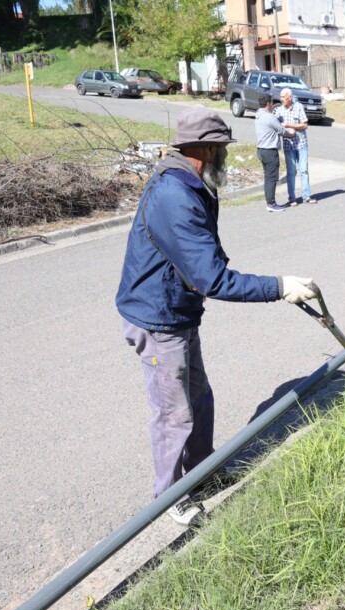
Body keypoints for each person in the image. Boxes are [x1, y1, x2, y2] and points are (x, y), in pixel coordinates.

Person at [116, 107, 317, 526]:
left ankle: (202, 473)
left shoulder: (188, 184)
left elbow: (201, 256)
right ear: (207, 149)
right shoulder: (175, 195)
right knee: (175, 414)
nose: (225, 157)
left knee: (199, 399)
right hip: (157, 320)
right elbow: (213, 278)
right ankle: (170, 497)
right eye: (223, 149)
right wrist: (279, 287)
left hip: (178, 310)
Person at [274, 88, 316, 206]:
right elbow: (275, 125)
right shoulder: (279, 111)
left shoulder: (299, 107)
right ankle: (292, 198)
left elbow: (305, 125)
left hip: (301, 144)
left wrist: (289, 125)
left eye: (283, 97)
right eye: (281, 97)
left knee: (304, 171)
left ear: (290, 97)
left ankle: (306, 196)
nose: (281, 99)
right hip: (288, 145)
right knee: (291, 172)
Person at [255, 93, 295, 213]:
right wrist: (291, 133)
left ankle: (270, 202)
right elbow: (281, 131)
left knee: (268, 178)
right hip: (269, 151)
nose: (273, 104)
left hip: (261, 149)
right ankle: (271, 204)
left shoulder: (258, 115)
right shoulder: (269, 116)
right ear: (268, 104)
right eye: (272, 102)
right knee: (272, 178)